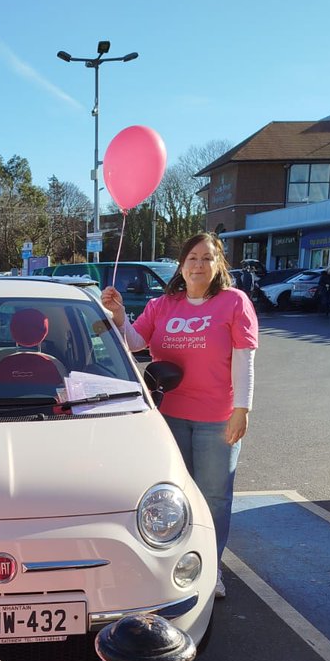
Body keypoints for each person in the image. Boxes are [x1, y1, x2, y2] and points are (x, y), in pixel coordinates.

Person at [102, 231, 259, 599]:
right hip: (168, 416)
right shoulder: (163, 305)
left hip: (217, 418)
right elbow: (133, 343)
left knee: (215, 498)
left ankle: (212, 569)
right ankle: (179, 566)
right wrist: (120, 315)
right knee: (174, 498)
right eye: (192, 258)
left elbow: (244, 361)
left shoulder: (234, 303)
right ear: (182, 265)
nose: (199, 265)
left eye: (207, 258)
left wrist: (243, 410)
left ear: (219, 263)